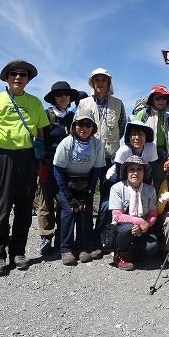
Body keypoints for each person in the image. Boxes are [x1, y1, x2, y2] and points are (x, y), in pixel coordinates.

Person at [0, 59, 49, 276]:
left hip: (28, 158)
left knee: (25, 208)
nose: (18, 77)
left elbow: (41, 131)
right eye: (14, 74)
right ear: (7, 78)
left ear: (28, 79)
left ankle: (18, 252)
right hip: (4, 157)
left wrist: (40, 161)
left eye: (23, 74)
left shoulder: (34, 102)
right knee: (1, 207)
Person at [78, 68, 126, 250]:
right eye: (96, 80)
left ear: (109, 83)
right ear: (92, 83)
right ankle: (85, 238)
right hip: (88, 157)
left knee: (107, 198)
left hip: (110, 158)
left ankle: (100, 237)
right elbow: (78, 127)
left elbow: (122, 127)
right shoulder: (84, 103)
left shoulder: (118, 103)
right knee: (87, 196)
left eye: (104, 80)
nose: (100, 83)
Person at [53, 109, 105, 265]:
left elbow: (96, 171)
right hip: (65, 184)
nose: (84, 128)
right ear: (74, 126)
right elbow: (58, 171)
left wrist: (87, 193)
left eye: (88, 124)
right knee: (69, 210)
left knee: (84, 210)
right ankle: (66, 249)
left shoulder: (97, 145)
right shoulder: (66, 143)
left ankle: (83, 247)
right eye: (80, 124)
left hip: (85, 185)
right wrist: (69, 196)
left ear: (93, 127)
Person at [36, 81, 81, 256]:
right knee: (46, 200)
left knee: (65, 200)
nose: (63, 97)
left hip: (67, 165)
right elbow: (39, 139)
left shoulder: (74, 117)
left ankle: (62, 237)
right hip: (48, 163)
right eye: (59, 94)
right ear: (53, 97)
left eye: (66, 94)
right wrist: (40, 164)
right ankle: (46, 236)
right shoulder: (46, 115)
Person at [109, 156, 159, 271]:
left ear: (144, 172)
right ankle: (120, 255)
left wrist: (144, 226)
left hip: (143, 227)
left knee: (152, 248)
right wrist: (139, 222)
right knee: (129, 229)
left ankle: (134, 251)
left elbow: (153, 214)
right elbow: (117, 216)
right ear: (126, 172)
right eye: (132, 169)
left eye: (139, 169)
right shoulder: (117, 188)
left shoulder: (150, 190)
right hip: (122, 227)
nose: (135, 173)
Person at [134, 84, 169, 188]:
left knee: (160, 183)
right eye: (158, 98)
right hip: (145, 154)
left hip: (162, 155)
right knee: (144, 182)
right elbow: (133, 133)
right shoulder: (143, 114)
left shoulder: (166, 116)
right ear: (152, 100)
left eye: (164, 98)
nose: (161, 101)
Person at [106, 120, 158, 185]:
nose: (137, 138)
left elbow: (150, 174)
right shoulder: (123, 151)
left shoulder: (151, 148)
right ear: (129, 137)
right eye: (134, 134)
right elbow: (120, 178)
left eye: (140, 134)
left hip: (136, 179)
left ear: (146, 137)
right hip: (114, 179)